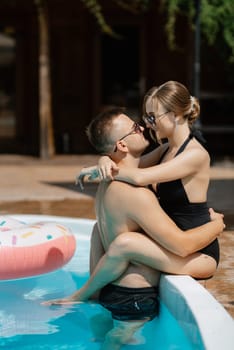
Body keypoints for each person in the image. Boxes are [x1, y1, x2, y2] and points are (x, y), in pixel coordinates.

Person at [44, 107, 224, 348]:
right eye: (135, 128)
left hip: (111, 291)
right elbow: (181, 246)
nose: (142, 128)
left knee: (99, 339)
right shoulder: (137, 196)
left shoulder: (107, 185)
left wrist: (104, 158)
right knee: (115, 342)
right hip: (135, 298)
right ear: (122, 145)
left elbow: (99, 231)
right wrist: (217, 225)